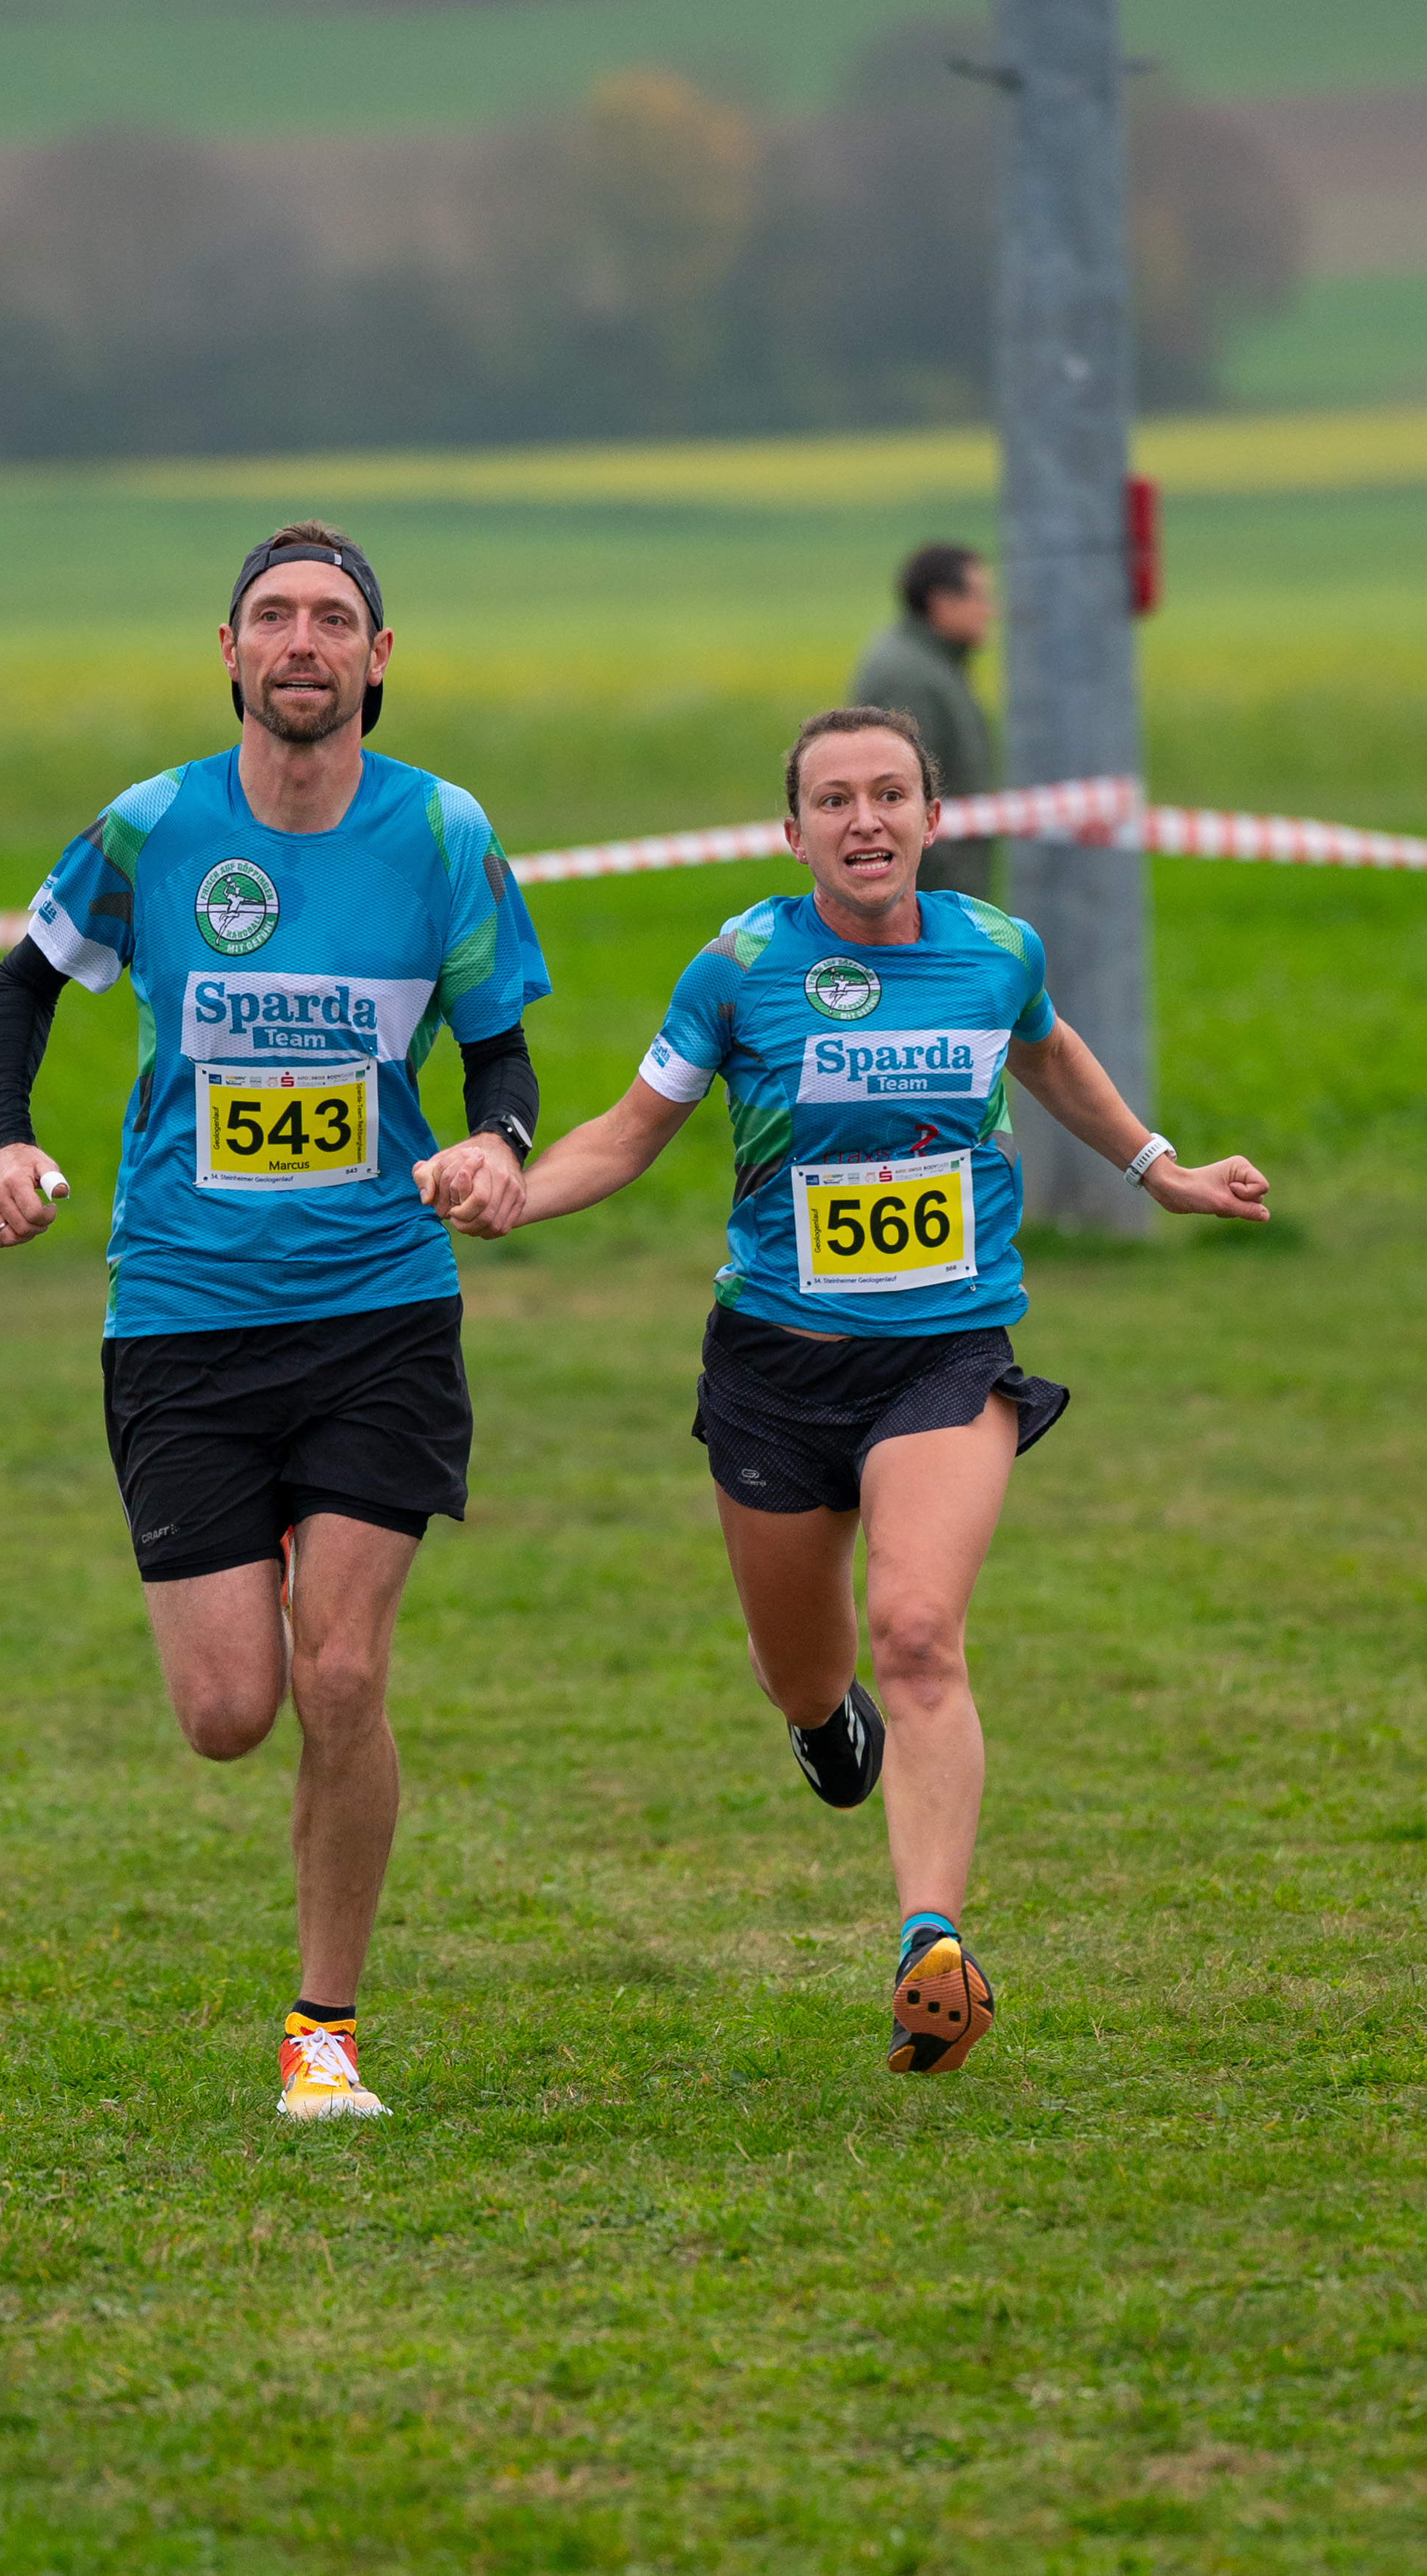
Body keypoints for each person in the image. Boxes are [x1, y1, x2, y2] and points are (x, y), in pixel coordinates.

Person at [477, 705, 1268, 2077]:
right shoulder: (739, 968)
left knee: (915, 1632)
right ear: (793, 834)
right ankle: (817, 1722)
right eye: (834, 800)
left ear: (931, 819)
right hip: (775, 1369)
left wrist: (1160, 1170)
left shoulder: (994, 950)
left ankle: (929, 1946)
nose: (865, 820)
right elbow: (629, 1132)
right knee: (807, 1671)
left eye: (889, 794)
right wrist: (507, 1194)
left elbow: (1045, 1049)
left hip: (944, 1354)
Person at [0, 519, 549, 2122]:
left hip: (378, 1306)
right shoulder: (152, 827)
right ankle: (263, 1559)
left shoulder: (442, 831)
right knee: (232, 1713)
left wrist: (497, 1142)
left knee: (342, 1676)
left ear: (378, 657)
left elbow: (499, 1045)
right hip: (182, 1311)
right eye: (274, 616)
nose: (303, 641)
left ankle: (323, 2029)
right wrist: (6, 1140)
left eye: (333, 619)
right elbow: (22, 984)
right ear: (228, 652)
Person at [852, 544, 997, 900]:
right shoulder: (909, 679)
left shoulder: (933, 664)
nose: (991, 611)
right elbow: (903, 788)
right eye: (980, 597)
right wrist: (937, 904)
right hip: (929, 899)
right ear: (943, 603)